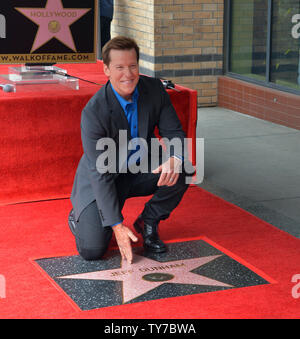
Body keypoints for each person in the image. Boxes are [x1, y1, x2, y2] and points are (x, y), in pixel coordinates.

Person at [68, 36, 192, 264]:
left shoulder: (154, 90)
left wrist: (174, 158)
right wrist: (116, 224)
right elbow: (100, 173)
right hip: (104, 177)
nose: (128, 74)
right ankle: (79, 217)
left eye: (133, 66)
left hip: (138, 167)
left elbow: (175, 132)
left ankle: (148, 222)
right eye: (119, 67)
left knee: (185, 165)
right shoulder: (94, 111)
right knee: (93, 250)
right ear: (106, 69)